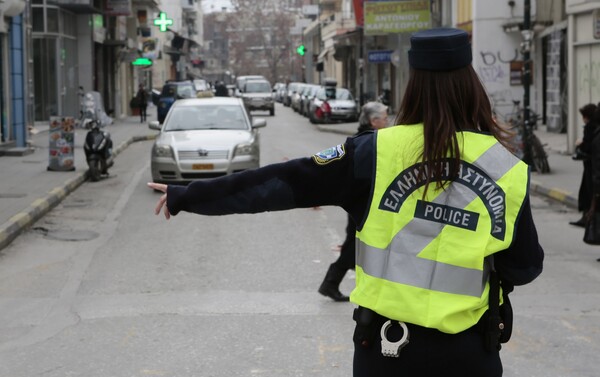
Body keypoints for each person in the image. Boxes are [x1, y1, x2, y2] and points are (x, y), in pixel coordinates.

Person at [149, 28, 543, 376]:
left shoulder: (373, 153)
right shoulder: (507, 168)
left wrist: (189, 195)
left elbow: (282, 183)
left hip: (388, 351)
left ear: (411, 85)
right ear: (471, 84)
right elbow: (524, 267)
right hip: (470, 355)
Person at [318, 101, 389, 302]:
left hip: (364, 199)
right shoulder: (368, 140)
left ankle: (334, 283)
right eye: (385, 119)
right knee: (354, 245)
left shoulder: (369, 138)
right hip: (363, 200)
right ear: (373, 121)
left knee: (358, 243)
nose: (388, 122)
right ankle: (331, 283)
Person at [570, 103, 598, 226]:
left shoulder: (590, 128)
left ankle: (588, 218)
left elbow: (588, 147)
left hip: (592, 167)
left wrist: (580, 143)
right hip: (593, 166)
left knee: (588, 192)